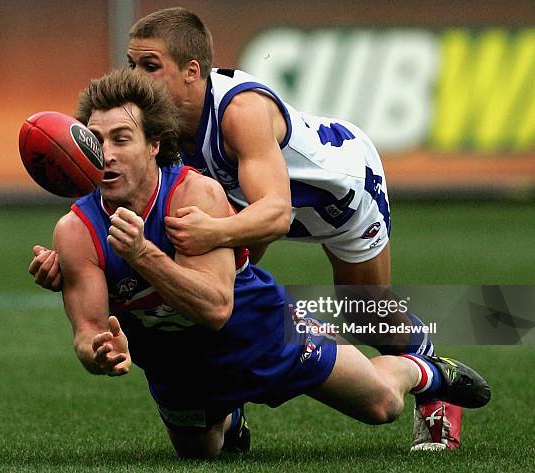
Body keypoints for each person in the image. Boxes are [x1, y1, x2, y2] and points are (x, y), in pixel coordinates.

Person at [31, 7, 464, 450]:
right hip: (245, 204)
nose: (137, 76)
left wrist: (213, 234)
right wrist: (72, 261)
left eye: (150, 65)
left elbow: (275, 215)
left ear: (191, 70)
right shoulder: (152, 122)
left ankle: (430, 375)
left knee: (363, 314)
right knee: (229, 288)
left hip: (338, 196)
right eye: (131, 64)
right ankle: (233, 392)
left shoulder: (240, 110)